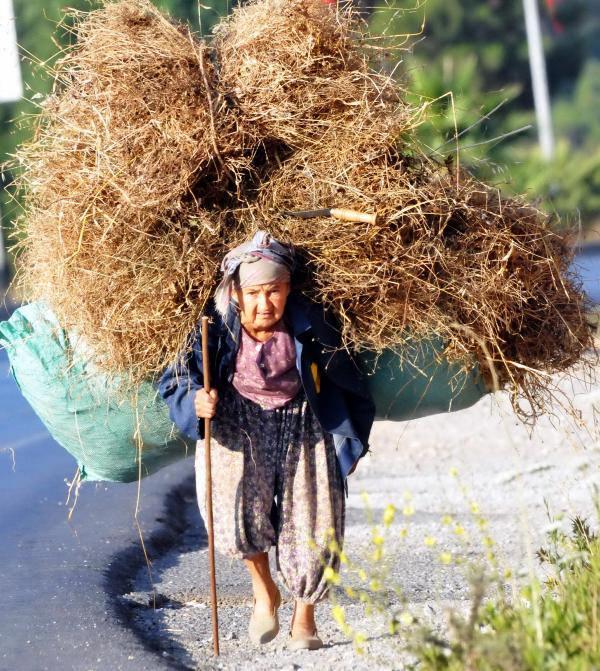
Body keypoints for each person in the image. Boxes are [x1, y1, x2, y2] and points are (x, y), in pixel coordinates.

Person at [158, 231, 375, 650]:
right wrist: (195, 400)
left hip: (304, 417)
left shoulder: (313, 322)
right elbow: (174, 379)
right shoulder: (214, 325)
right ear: (235, 292)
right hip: (238, 417)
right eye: (254, 292)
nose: (264, 304)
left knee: (314, 519)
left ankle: (305, 617)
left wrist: (350, 436)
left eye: (274, 291)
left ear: (288, 288)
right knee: (236, 515)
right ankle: (264, 591)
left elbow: (350, 377)